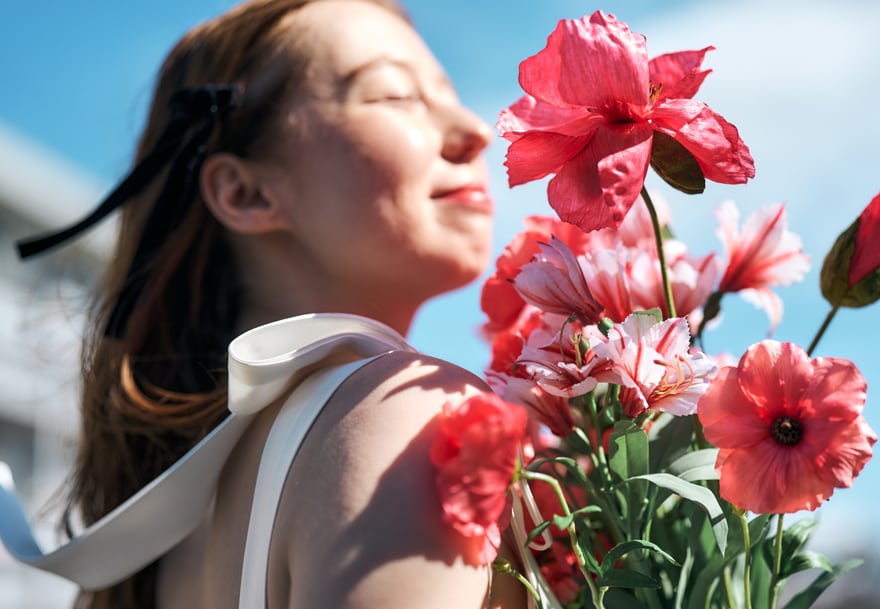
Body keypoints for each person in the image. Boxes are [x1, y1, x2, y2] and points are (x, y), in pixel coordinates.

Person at [6, 1, 528, 607]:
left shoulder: (144, 557)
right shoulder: (400, 416)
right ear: (245, 192)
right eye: (395, 95)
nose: (475, 130)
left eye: (448, 93)